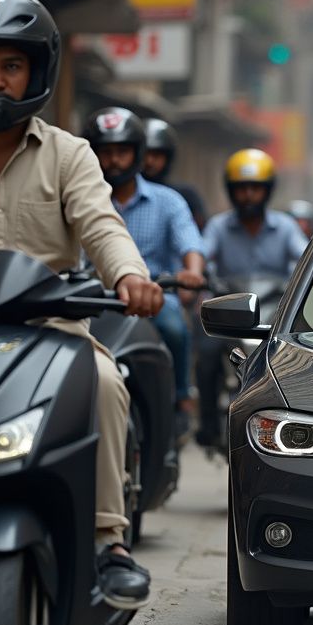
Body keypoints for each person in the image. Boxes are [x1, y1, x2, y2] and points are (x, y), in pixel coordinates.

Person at [0, 0, 162, 608]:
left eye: (11, 66)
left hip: (48, 333)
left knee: (106, 381)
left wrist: (129, 278)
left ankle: (106, 542)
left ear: (35, 72)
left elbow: (102, 226)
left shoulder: (69, 155)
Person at [83, 107, 205, 433]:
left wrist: (191, 272)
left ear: (138, 153)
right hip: (94, 299)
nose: (114, 161)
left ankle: (181, 398)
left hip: (154, 299)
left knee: (176, 331)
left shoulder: (168, 201)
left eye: (122, 151)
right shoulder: (80, 198)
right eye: (105, 152)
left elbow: (190, 243)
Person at [195, 149, 307, 448]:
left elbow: (304, 258)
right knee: (204, 355)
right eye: (242, 189)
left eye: (255, 188)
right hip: (229, 316)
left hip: (272, 315)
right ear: (232, 191)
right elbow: (202, 256)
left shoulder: (285, 227)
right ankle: (206, 426)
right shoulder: (218, 226)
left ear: (267, 190)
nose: (248, 195)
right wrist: (198, 278)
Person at [142, 117, 207, 230]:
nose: (149, 161)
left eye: (156, 155)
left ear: (168, 158)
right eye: (145, 154)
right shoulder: (112, 194)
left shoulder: (185, 196)